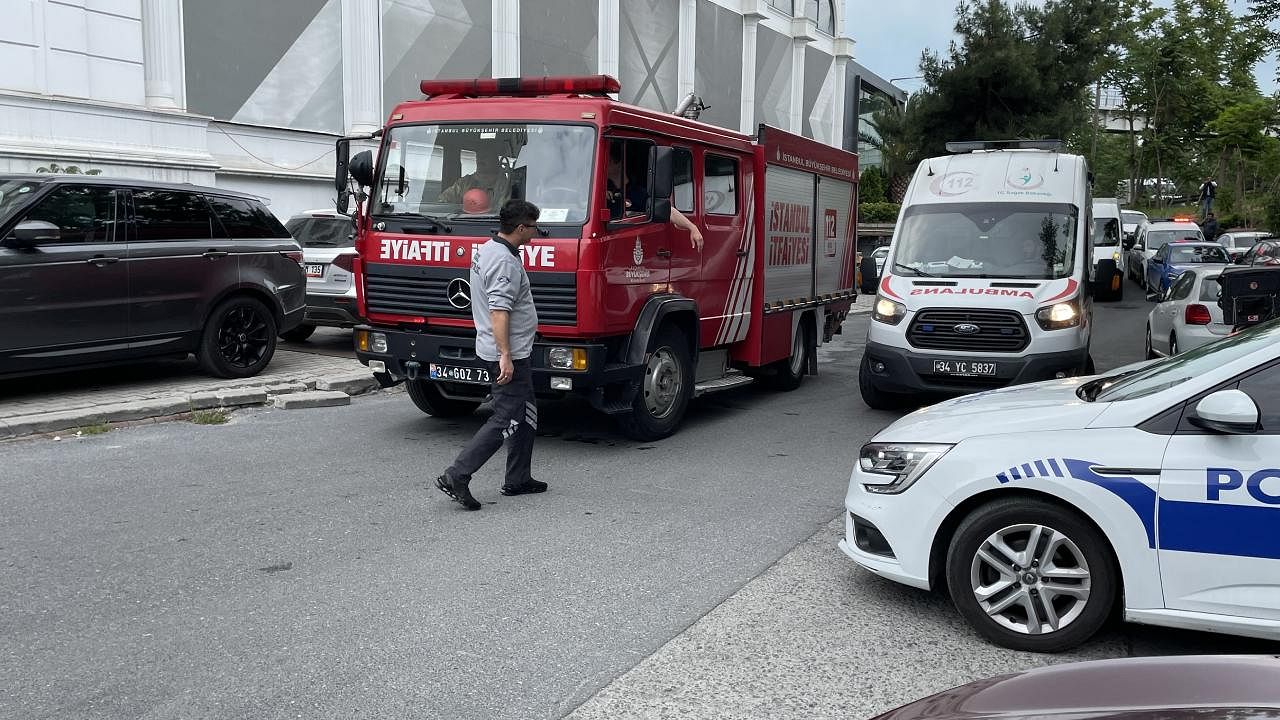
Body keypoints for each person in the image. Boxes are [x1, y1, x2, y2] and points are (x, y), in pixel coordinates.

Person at [436, 199, 546, 511]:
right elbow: (499, 312)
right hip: (506, 354)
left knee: (526, 411)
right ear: (521, 227)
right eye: (534, 227)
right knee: (506, 416)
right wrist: (506, 355)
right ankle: (457, 474)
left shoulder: (489, 248)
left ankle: (519, 478)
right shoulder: (504, 262)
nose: (537, 233)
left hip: (506, 347)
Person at [605, 144, 704, 250]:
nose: (604, 165)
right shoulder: (604, 191)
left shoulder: (637, 193)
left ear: (619, 163)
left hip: (628, 241)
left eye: (608, 161)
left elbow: (666, 210)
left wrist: (692, 227)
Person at [438, 150, 511, 208]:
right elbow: (443, 201)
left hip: (493, 223)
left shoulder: (505, 185)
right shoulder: (464, 183)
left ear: (495, 161)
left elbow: (506, 210)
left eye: (485, 156)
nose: (480, 159)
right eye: (479, 156)